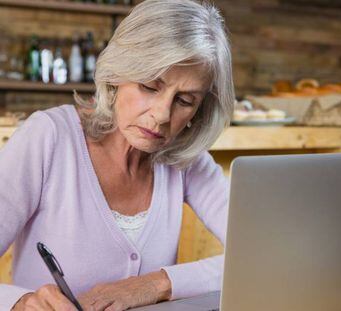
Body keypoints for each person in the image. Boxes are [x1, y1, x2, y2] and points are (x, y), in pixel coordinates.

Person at [0, 0, 234, 309]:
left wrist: (157, 283)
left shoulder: (187, 161)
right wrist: (21, 302)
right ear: (117, 75)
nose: (162, 114)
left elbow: (263, 253)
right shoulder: (49, 137)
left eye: (185, 100)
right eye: (150, 86)